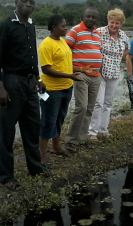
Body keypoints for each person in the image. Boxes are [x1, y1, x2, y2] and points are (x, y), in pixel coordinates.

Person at [0, 0, 48, 191]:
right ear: (15, 3)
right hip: (11, 83)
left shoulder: (31, 27)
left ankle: (35, 167)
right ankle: (6, 176)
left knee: (32, 129)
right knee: (6, 132)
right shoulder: (6, 26)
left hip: (31, 84)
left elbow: (32, 56)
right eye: (24, 1)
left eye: (31, 2)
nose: (28, 5)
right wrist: (0, 87)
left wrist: (38, 78)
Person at [38, 15, 83, 165]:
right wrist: (70, 75)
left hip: (66, 87)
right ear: (53, 27)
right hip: (51, 90)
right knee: (48, 121)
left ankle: (56, 146)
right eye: (63, 26)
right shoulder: (46, 45)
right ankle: (42, 155)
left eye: (66, 25)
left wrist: (81, 70)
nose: (66, 28)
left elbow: (67, 63)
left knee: (59, 118)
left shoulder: (63, 42)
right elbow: (46, 69)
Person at [64, 7, 102, 151]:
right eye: (88, 16)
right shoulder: (75, 31)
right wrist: (74, 69)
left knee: (90, 109)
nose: (90, 19)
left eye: (93, 17)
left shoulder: (97, 33)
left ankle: (81, 139)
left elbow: (98, 51)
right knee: (82, 107)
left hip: (96, 76)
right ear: (83, 17)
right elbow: (65, 51)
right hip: (81, 74)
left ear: (97, 19)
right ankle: (70, 140)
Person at [88, 8, 130, 140]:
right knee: (98, 102)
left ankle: (103, 129)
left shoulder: (123, 36)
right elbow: (90, 47)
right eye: (112, 22)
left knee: (108, 103)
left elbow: (128, 49)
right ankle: (92, 132)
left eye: (117, 23)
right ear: (108, 21)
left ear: (121, 24)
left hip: (115, 73)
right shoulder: (99, 32)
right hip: (99, 73)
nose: (114, 25)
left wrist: (118, 59)